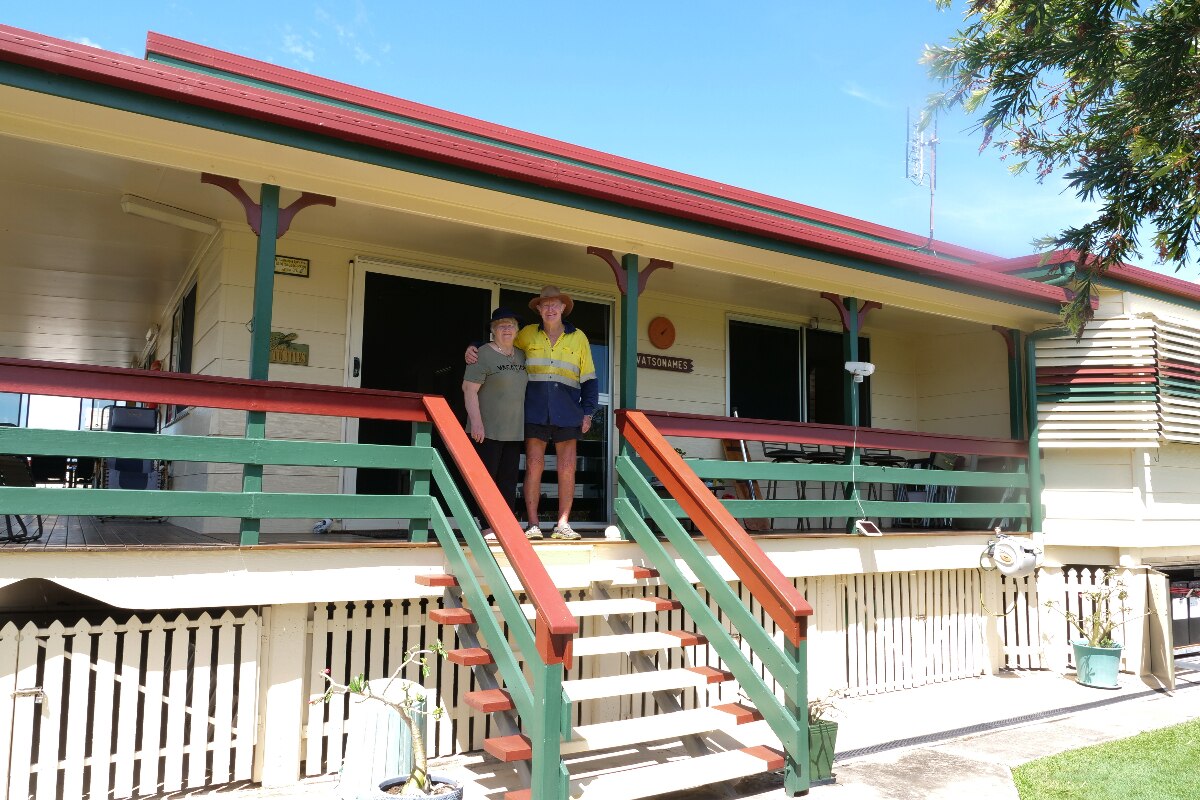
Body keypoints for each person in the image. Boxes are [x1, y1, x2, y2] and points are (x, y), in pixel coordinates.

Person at [466, 285, 597, 540]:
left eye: (554, 304)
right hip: (535, 410)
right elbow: (501, 343)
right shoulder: (526, 334)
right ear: (538, 309)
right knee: (534, 467)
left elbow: (590, 378)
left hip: (568, 410)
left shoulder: (579, 337)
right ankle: (533, 524)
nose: (550, 308)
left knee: (567, 468)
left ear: (563, 308)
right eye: (545, 304)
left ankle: (562, 524)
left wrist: (589, 411)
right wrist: (474, 345)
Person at [463, 308, 528, 536]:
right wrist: (477, 423)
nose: (506, 329)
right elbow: (469, 390)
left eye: (510, 324)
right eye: (501, 325)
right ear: (493, 330)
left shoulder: (522, 355)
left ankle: (504, 526)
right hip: (487, 430)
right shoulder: (482, 354)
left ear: (517, 329)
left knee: (508, 482)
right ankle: (484, 524)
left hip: (513, 431)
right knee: (484, 480)